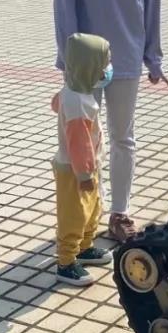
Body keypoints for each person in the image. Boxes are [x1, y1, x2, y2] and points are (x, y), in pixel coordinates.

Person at [53, 0, 168, 243]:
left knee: (123, 138)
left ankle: (120, 212)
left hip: (128, 55)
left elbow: (152, 0)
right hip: (85, 61)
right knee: (82, 141)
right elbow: (63, 1)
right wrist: (69, 58)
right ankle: (86, 216)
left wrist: (153, 57)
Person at [51, 33, 113, 286]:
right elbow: (79, 145)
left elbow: (55, 104)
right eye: (104, 65)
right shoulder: (77, 103)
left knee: (93, 208)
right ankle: (66, 262)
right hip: (75, 170)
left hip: (87, 166)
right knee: (74, 214)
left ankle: (85, 247)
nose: (107, 71)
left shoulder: (76, 92)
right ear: (89, 69)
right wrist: (85, 175)